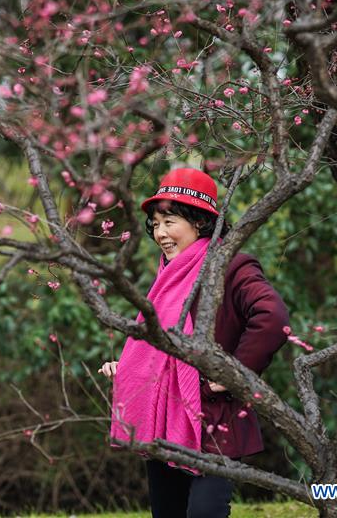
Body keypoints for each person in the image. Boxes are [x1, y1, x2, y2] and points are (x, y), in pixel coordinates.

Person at [99, 167, 289, 518]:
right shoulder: (167, 276)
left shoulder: (230, 266)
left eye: (170, 221)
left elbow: (272, 317)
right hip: (164, 418)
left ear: (199, 222)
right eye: (155, 224)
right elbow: (159, 349)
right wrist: (128, 370)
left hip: (213, 419)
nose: (160, 233)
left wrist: (236, 370)